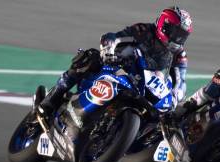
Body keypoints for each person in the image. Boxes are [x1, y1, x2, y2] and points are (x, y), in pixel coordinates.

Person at [38, 6, 193, 118]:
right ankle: (51, 99)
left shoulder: (179, 54)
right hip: (120, 66)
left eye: (182, 36)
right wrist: (109, 51)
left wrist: (176, 97)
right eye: (176, 33)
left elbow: (180, 82)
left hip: (146, 86)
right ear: (164, 26)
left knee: (165, 115)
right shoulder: (144, 30)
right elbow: (114, 37)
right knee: (89, 58)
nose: (178, 39)